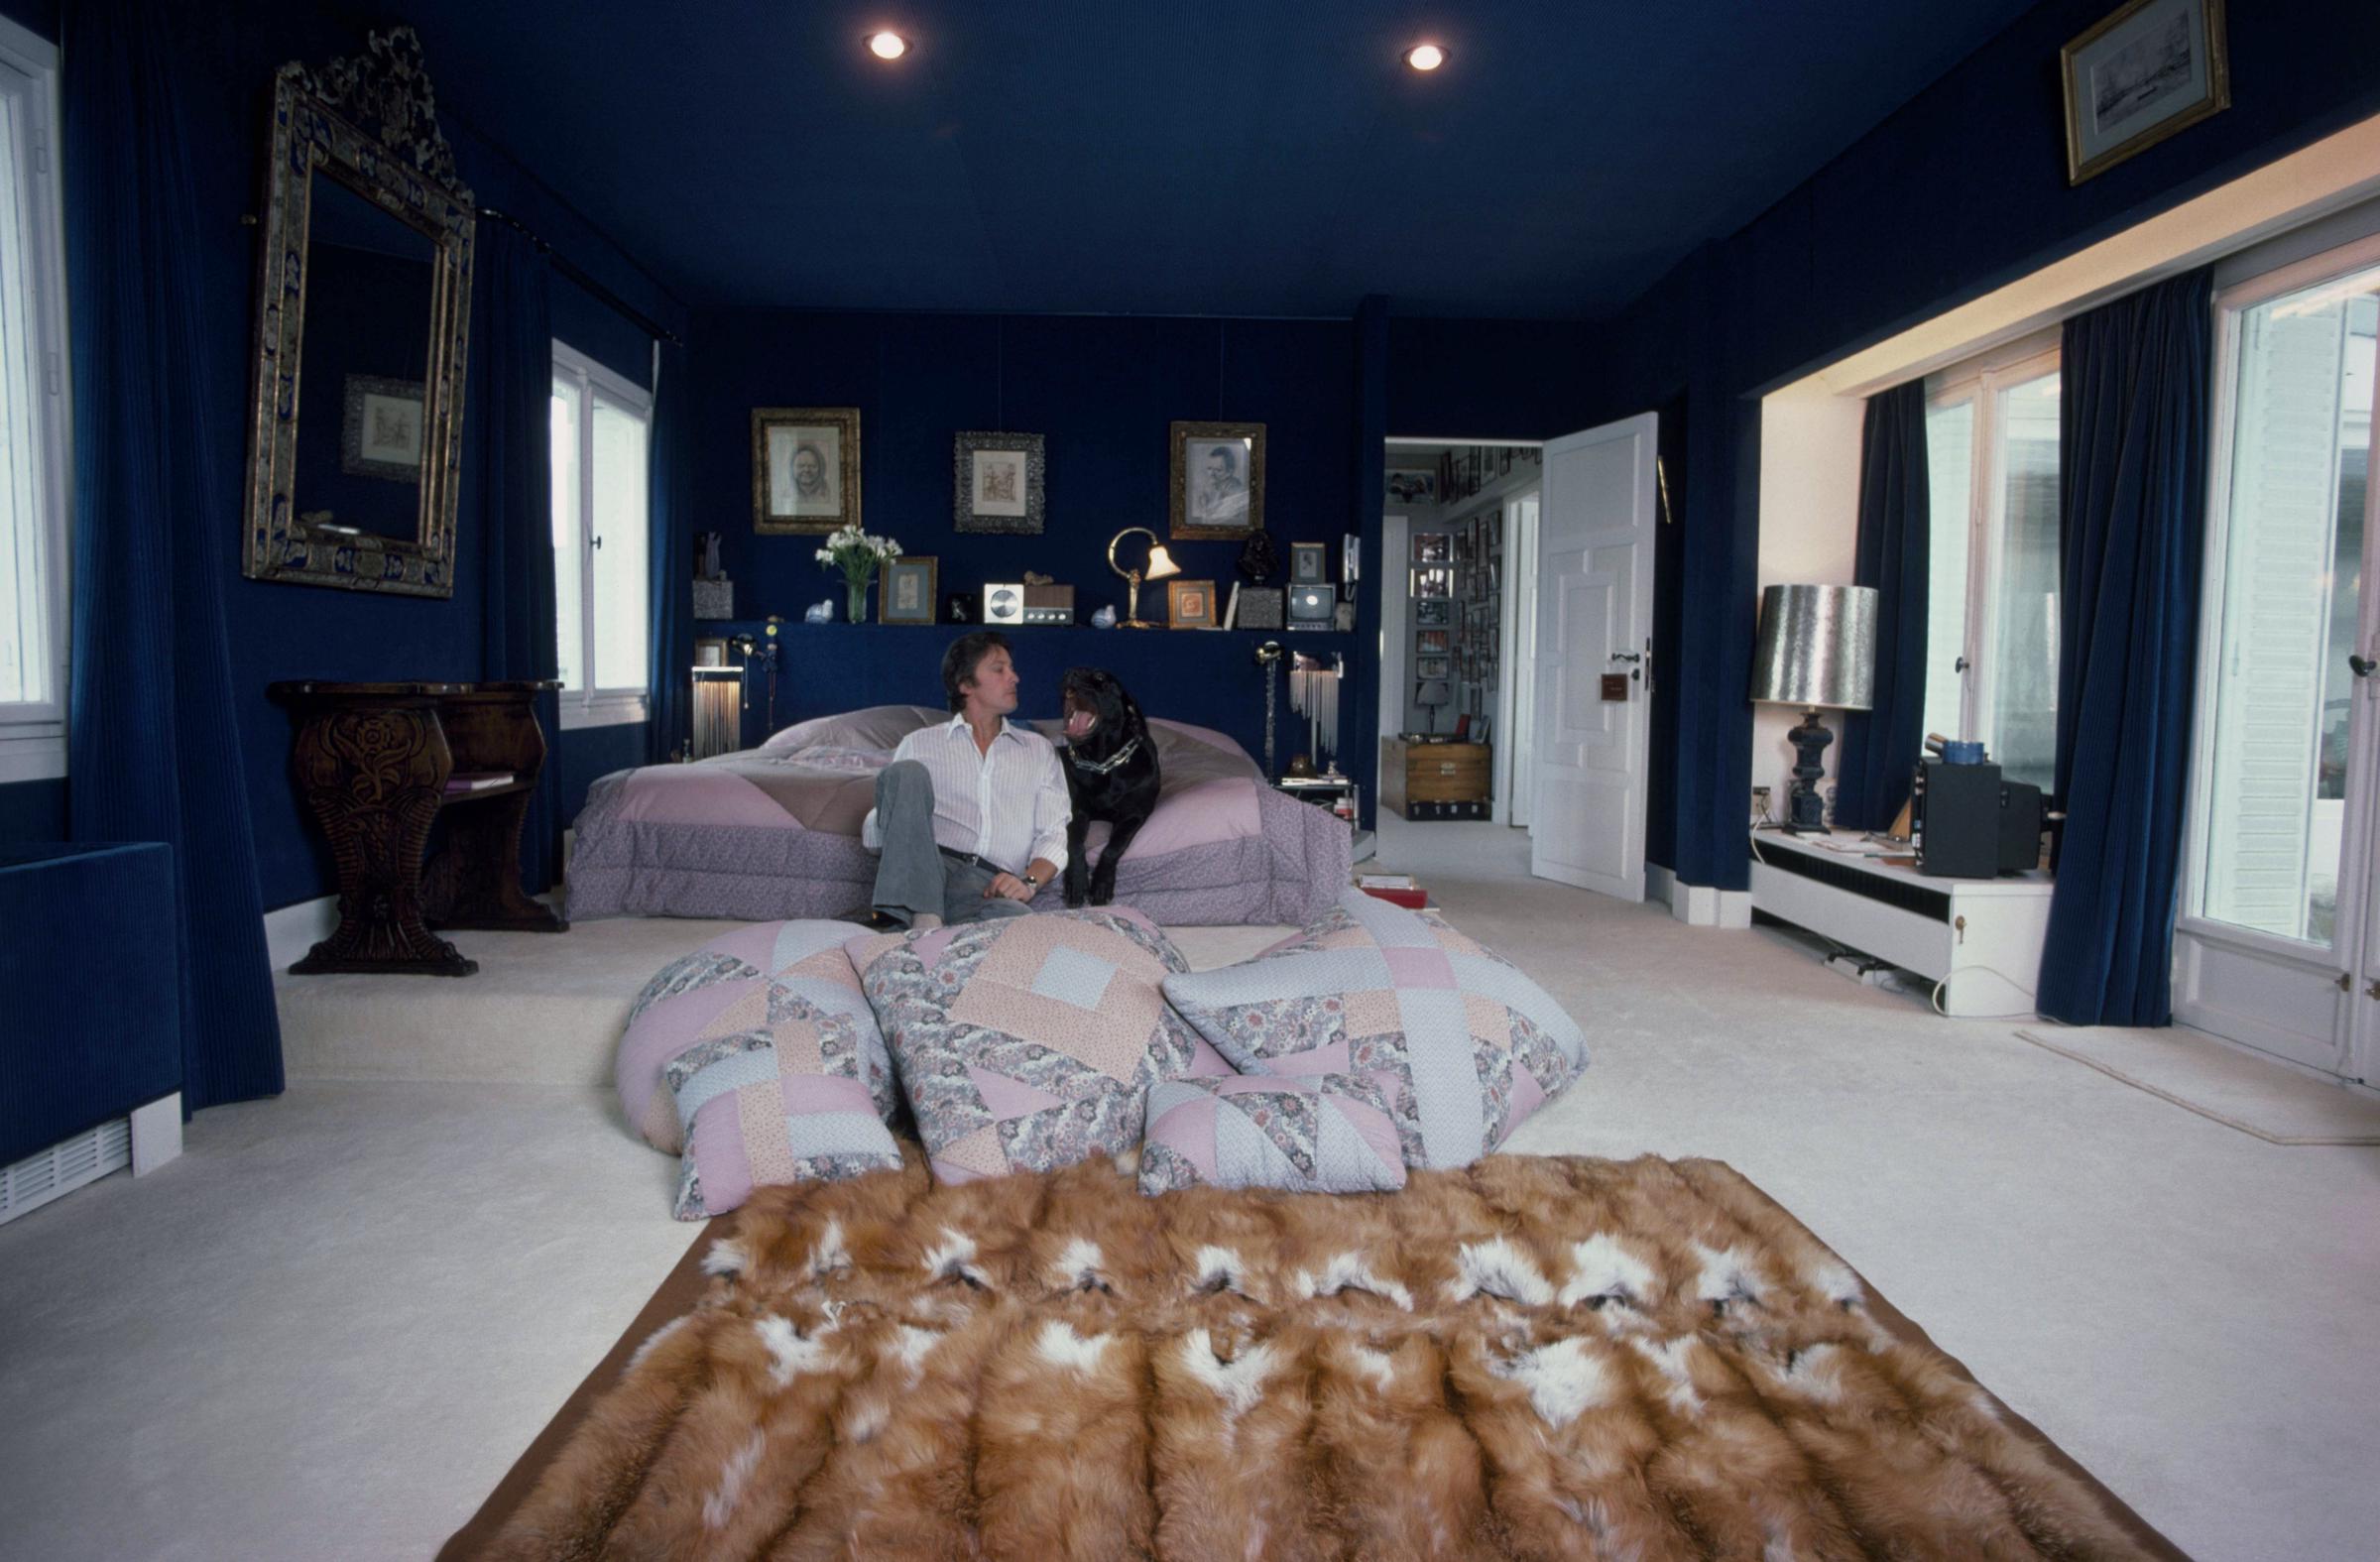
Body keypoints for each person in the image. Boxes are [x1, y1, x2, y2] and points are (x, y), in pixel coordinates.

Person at [849, 631, 1070, 930]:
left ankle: (917, 926)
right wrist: (899, 812)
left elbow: (1053, 834)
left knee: (1024, 930)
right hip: (926, 867)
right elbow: (874, 838)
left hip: (987, 886)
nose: (1014, 677)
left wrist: (1028, 882)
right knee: (905, 774)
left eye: (1012, 668)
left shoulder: (1038, 750)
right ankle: (920, 916)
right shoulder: (919, 744)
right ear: (965, 684)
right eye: (999, 669)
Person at [1190, 442, 1249, 524]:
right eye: (1209, 468)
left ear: (1229, 472)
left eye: (1218, 470)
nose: (1211, 474)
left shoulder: (1236, 491)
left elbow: (1214, 519)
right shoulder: (1210, 487)